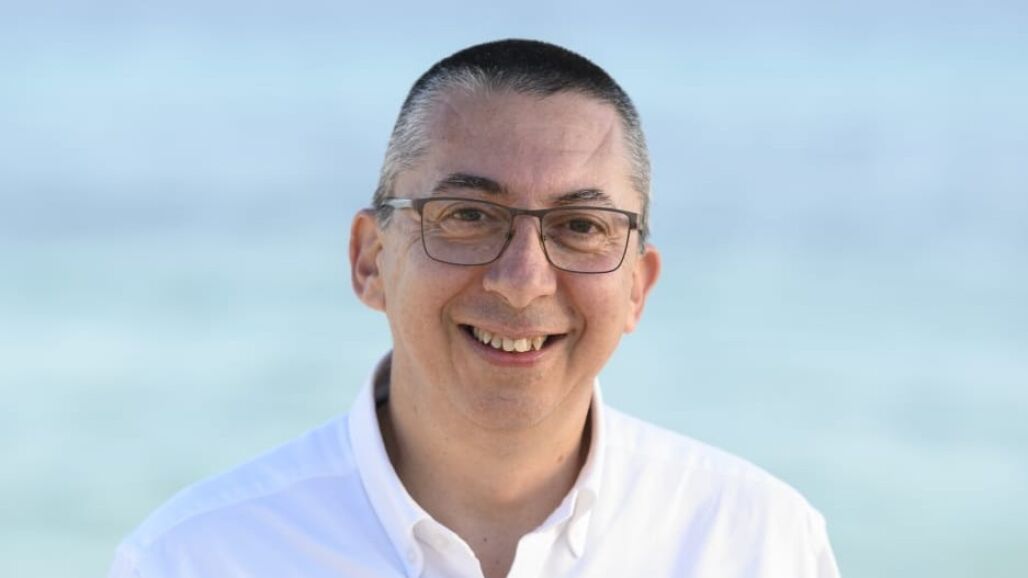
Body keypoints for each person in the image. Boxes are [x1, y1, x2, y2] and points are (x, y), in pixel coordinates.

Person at [109, 39, 840, 578]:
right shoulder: (196, 558)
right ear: (370, 259)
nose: (523, 280)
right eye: (467, 215)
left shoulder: (758, 545)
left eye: (580, 226)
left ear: (636, 289)